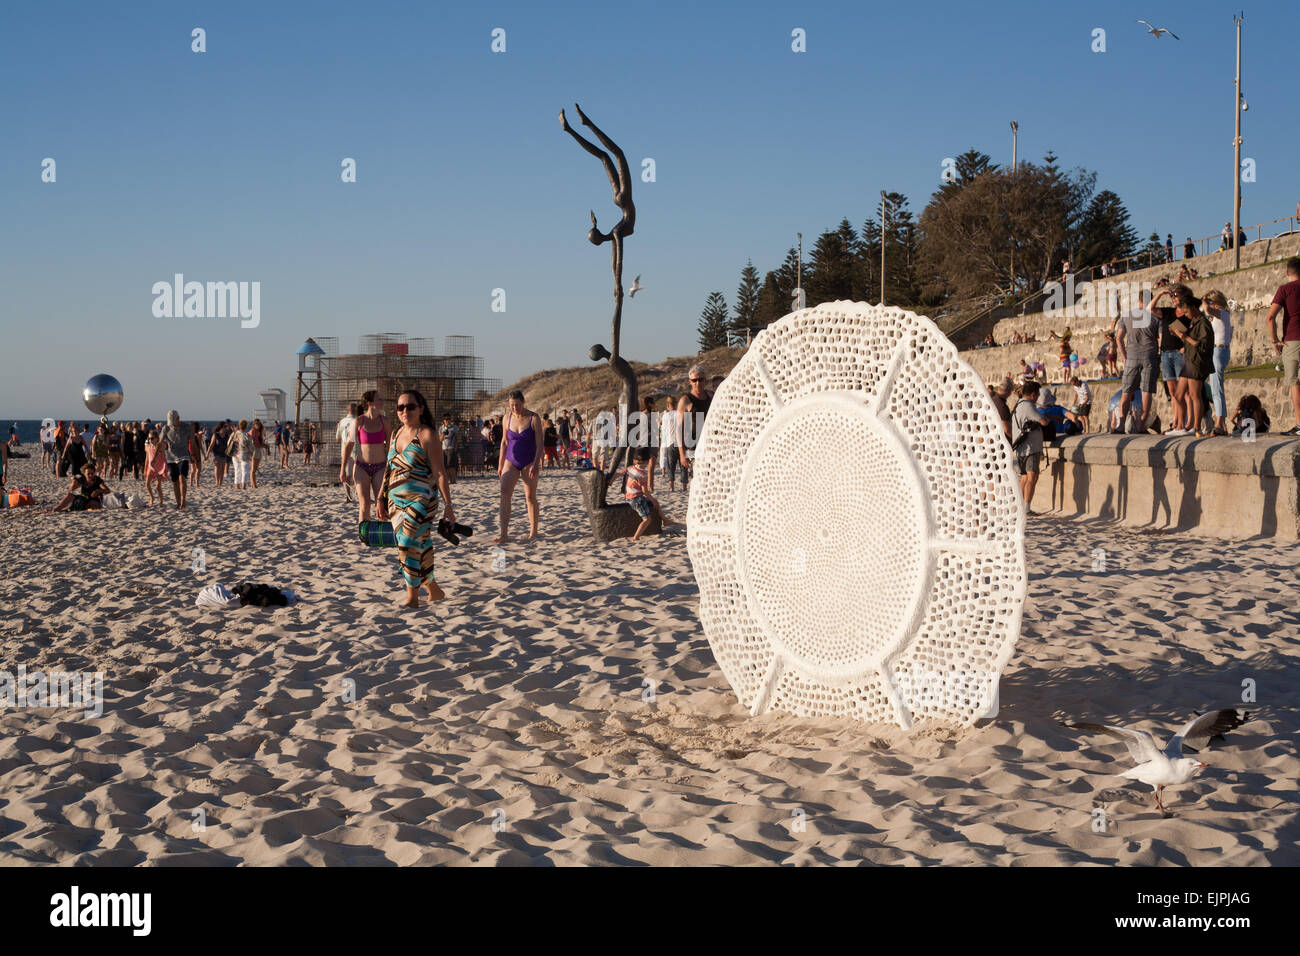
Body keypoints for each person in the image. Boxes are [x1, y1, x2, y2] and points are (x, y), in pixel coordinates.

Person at [378, 390, 454, 608]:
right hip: (395, 502)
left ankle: (412, 597)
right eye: (400, 407)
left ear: (421, 409)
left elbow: (439, 473)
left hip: (422, 500)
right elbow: (389, 467)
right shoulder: (395, 434)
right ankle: (434, 590)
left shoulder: (427, 435)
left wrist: (449, 505)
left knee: (407, 543)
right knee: (421, 544)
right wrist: (381, 498)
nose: (404, 411)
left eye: (410, 407)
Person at [496, 389, 543, 543]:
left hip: (529, 461)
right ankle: (504, 533)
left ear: (523, 402)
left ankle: (533, 532)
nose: (514, 408)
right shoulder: (506, 418)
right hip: (511, 460)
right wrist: (500, 463)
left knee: (530, 496)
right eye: (511, 405)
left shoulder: (533, 418)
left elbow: (539, 444)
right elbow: (504, 442)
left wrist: (536, 464)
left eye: (516, 404)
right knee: (504, 492)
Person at [1114, 289, 1160, 434]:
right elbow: (1161, 338)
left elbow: (1118, 338)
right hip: (1150, 355)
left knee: (1126, 391)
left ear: (1139, 301)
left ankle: (1120, 424)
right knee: (1147, 391)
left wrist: (1124, 355)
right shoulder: (1156, 318)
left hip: (1131, 357)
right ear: (1151, 300)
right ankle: (1141, 425)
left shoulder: (1127, 316)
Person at [343, 390, 390, 523]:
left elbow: (391, 447)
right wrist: (342, 470)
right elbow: (348, 446)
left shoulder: (385, 421)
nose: (382, 401)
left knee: (381, 504)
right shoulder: (358, 421)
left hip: (380, 467)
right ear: (370, 403)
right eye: (378, 399)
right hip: (361, 466)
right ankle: (364, 536)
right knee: (365, 504)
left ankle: (381, 536)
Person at [1266, 257, 1300, 434]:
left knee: (1295, 382)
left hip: (1292, 339)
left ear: (1287, 272)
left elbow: (1270, 317)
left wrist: (1275, 340)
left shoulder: (1285, 289)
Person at [1151, 285, 1191, 432]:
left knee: (1184, 392)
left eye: (1176, 295)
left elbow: (1194, 333)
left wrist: (1185, 347)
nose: (1174, 298)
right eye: (1172, 296)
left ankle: (1187, 422)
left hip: (1180, 354)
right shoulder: (1168, 312)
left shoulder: (1188, 313)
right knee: (1173, 392)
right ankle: (1176, 422)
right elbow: (1150, 308)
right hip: (1166, 353)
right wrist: (1161, 293)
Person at [1171, 295, 1213, 436]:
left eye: (1187, 311)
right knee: (1178, 395)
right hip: (1188, 360)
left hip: (1197, 362)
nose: (1186, 314)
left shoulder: (1203, 323)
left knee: (1195, 395)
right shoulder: (1193, 322)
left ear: (1195, 308)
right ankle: (1181, 427)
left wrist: (1184, 337)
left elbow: (1202, 345)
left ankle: (1196, 428)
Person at [618, 447, 678, 541]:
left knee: (656, 503)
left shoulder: (630, 468)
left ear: (634, 460)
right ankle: (636, 537)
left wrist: (611, 479)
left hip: (628, 497)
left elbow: (619, 473)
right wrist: (652, 500)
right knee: (647, 519)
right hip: (636, 500)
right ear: (647, 462)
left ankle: (665, 521)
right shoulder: (643, 475)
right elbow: (645, 492)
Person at [1010, 381, 1047, 514]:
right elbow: (1043, 421)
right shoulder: (1028, 406)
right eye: (1037, 394)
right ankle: (1026, 508)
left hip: (1020, 447)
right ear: (1033, 394)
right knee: (1032, 477)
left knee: (1025, 477)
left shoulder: (1018, 404)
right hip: (1030, 447)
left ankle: (1019, 506)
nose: (1038, 397)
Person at [676, 365, 712, 492]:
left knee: (710, 480)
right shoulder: (685, 400)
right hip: (693, 447)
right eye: (694, 380)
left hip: (710, 445)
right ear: (690, 382)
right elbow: (679, 428)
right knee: (697, 481)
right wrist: (681, 454)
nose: (698, 383)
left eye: (701, 379)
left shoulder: (711, 396)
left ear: (705, 380)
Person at [1203, 290, 1233, 435]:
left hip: (1218, 351)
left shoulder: (1221, 313)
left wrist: (1203, 301)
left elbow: (1207, 310)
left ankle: (1219, 423)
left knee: (1216, 389)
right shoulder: (1221, 315)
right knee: (1217, 387)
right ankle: (1222, 423)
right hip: (1219, 351)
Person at [158, 411, 195, 509]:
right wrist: (158, 453)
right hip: (170, 457)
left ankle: (183, 501)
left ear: (179, 418)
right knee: (175, 481)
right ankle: (178, 502)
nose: (173, 424)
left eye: (174, 421)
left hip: (184, 455)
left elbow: (193, 441)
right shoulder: (166, 428)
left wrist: (194, 455)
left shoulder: (187, 428)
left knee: (182, 478)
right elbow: (160, 442)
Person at [337, 402, 359, 502]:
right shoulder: (358, 420)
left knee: (347, 474)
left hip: (344, 449)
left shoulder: (342, 422)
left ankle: (348, 496)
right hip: (357, 449)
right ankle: (359, 494)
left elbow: (338, 438)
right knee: (358, 474)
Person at [659, 394, 680, 489]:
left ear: (668, 406)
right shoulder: (680, 413)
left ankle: (671, 486)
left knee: (671, 466)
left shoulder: (666, 416)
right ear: (676, 404)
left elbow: (664, 430)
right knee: (683, 466)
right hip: (680, 442)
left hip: (670, 442)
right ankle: (684, 486)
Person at [226, 419, 254, 489]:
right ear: (246, 426)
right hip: (244, 454)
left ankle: (237, 486)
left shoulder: (234, 433)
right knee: (245, 470)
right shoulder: (246, 435)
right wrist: (251, 453)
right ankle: (243, 486)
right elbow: (251, 447)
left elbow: (228, 443)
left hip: (235, 454)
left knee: (237, 470)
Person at [143, 428, 167, 505]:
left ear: (157, 438)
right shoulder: (148, 447)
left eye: (152, 438)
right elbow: (147, 458)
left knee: (158, 487)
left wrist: (160, 439)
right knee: (147, 484)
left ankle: (161, 501)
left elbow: (165, 445)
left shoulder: (160, 446)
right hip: (150, 467)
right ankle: (152, 497)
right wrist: (145, 469)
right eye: (149, 438)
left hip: (159, 468)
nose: (150, 440)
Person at [439, 413, 460, 483]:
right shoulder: (441, 428)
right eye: (446, 419)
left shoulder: (454, 427)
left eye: (449, 419)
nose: (448, 420)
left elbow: (457, 438)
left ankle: (453, 480)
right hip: (443, 449)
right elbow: (440, 439)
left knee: (451, 465)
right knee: (445, 466)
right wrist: (443, 434)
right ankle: (447, 480)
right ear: (444, 420)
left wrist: (456, 448)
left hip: (451, 448)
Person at [249, 419, 267, 487]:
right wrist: (261, 445)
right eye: (256, 424)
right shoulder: (252, 431)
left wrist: (265, 446)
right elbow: (253, 442)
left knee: (255, 468)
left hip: (259, 450)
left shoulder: (259, 432)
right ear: (254, 425)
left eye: (259, 424)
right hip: (254, 450)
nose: (258, 425)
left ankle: (253, 484)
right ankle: (253, 484)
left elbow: (260, 442)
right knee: (253, 469)